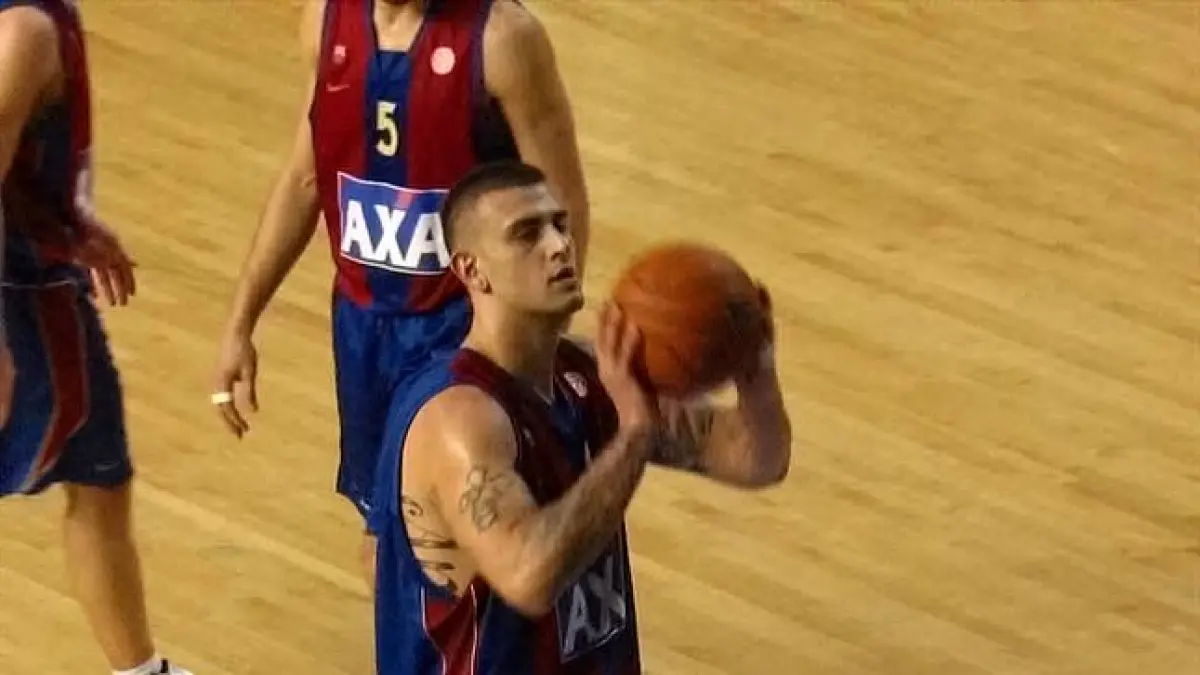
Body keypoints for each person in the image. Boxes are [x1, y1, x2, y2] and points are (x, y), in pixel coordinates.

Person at [211, 0, 590, 587]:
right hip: (365, 333)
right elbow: (305, 178)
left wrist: (540, 348)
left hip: (468, 333)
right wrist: (241, 322)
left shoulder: (503, 41)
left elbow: (562, 201)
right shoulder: (325, 22)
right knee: (386, 544)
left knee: (471, 552)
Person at [368, 160, 792, 674]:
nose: (558, 246)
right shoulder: (459, 418)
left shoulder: (589, 375)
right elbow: (530, 577)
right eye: (527, 234)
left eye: (560, 225)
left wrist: (755, 367)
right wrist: (635, 435)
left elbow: (755, 459)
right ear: (472, 270)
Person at [0, 2, 192, 674]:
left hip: (39, 277)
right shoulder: (23, 32)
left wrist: (62, 221)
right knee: (93, 476)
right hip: (17, 294)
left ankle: (140, 670)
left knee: (99, 475)